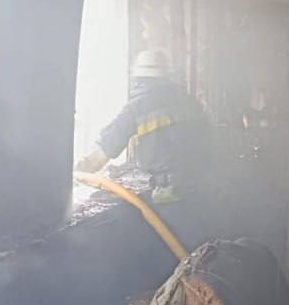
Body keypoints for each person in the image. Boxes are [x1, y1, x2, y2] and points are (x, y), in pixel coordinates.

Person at [76, 49, 211, 245]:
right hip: (202, 188)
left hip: (169, 194)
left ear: (138, 77)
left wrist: (78, 171)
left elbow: (104, 151)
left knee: (173, 246)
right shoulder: (188, 100)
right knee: (199, 247)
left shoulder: (136, 108)